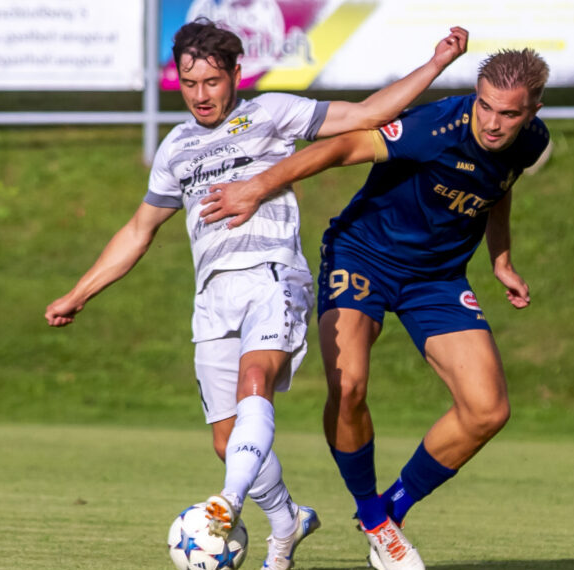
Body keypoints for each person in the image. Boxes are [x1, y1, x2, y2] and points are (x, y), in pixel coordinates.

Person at [44, 18, 468, 570]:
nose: (200, 95)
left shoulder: (270, 113)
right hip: (211, 297)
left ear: (235, 75)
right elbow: (138, 230)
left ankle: (226, 503)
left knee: (255, 381)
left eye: (211, 82)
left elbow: (367, 114)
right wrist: (79, 293)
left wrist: (436, 63)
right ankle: (288, 520)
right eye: (189, 84)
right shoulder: (175, 148)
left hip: (273, 276)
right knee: (228, 442)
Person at [199, 48, 551, 570]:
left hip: (437, 279)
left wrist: (500, 259)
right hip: (362, 255)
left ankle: (387, 514)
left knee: (488, 410)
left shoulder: (531, 141)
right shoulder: (435, 127)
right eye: (485, 106)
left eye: (509, 114)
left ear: (533, 111)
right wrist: (255, 188)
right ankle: (374, 516)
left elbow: (497, 187)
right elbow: (342, 147)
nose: (492, 123)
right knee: (348, 386)